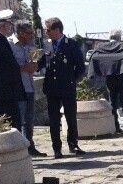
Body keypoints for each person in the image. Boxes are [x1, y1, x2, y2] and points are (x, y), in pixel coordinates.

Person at [37, 17, 86, 158]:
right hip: (52, 88)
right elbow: (42, 62)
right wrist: (34, 66)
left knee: (70, 116)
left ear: (57, 30)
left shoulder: (70, 44)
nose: (46, 33)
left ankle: (73, 144)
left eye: (48, 30)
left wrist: (72, 80)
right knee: (53, 119)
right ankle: (56, 148)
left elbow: (80, 67)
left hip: (67, 87)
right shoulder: (47, 45)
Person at [88, 29, 123, 134]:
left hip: (110, 78)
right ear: (119, 37)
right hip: (122, 76)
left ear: (109, 37)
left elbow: (93, 58)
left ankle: (115, 127)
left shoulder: (101, 47)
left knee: (112, 103)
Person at [10, 21, 47, 156]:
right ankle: (19, 148)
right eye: (29, 33)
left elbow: (35, 62)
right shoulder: (9, 45)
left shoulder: (31, 45)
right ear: (20, 33)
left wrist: (36, 66)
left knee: (29, 119)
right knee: (18, 119)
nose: (32, 36)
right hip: (18, 88)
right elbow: (7, 67)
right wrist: (22, 68)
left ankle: (30, 146)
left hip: (29, 86)